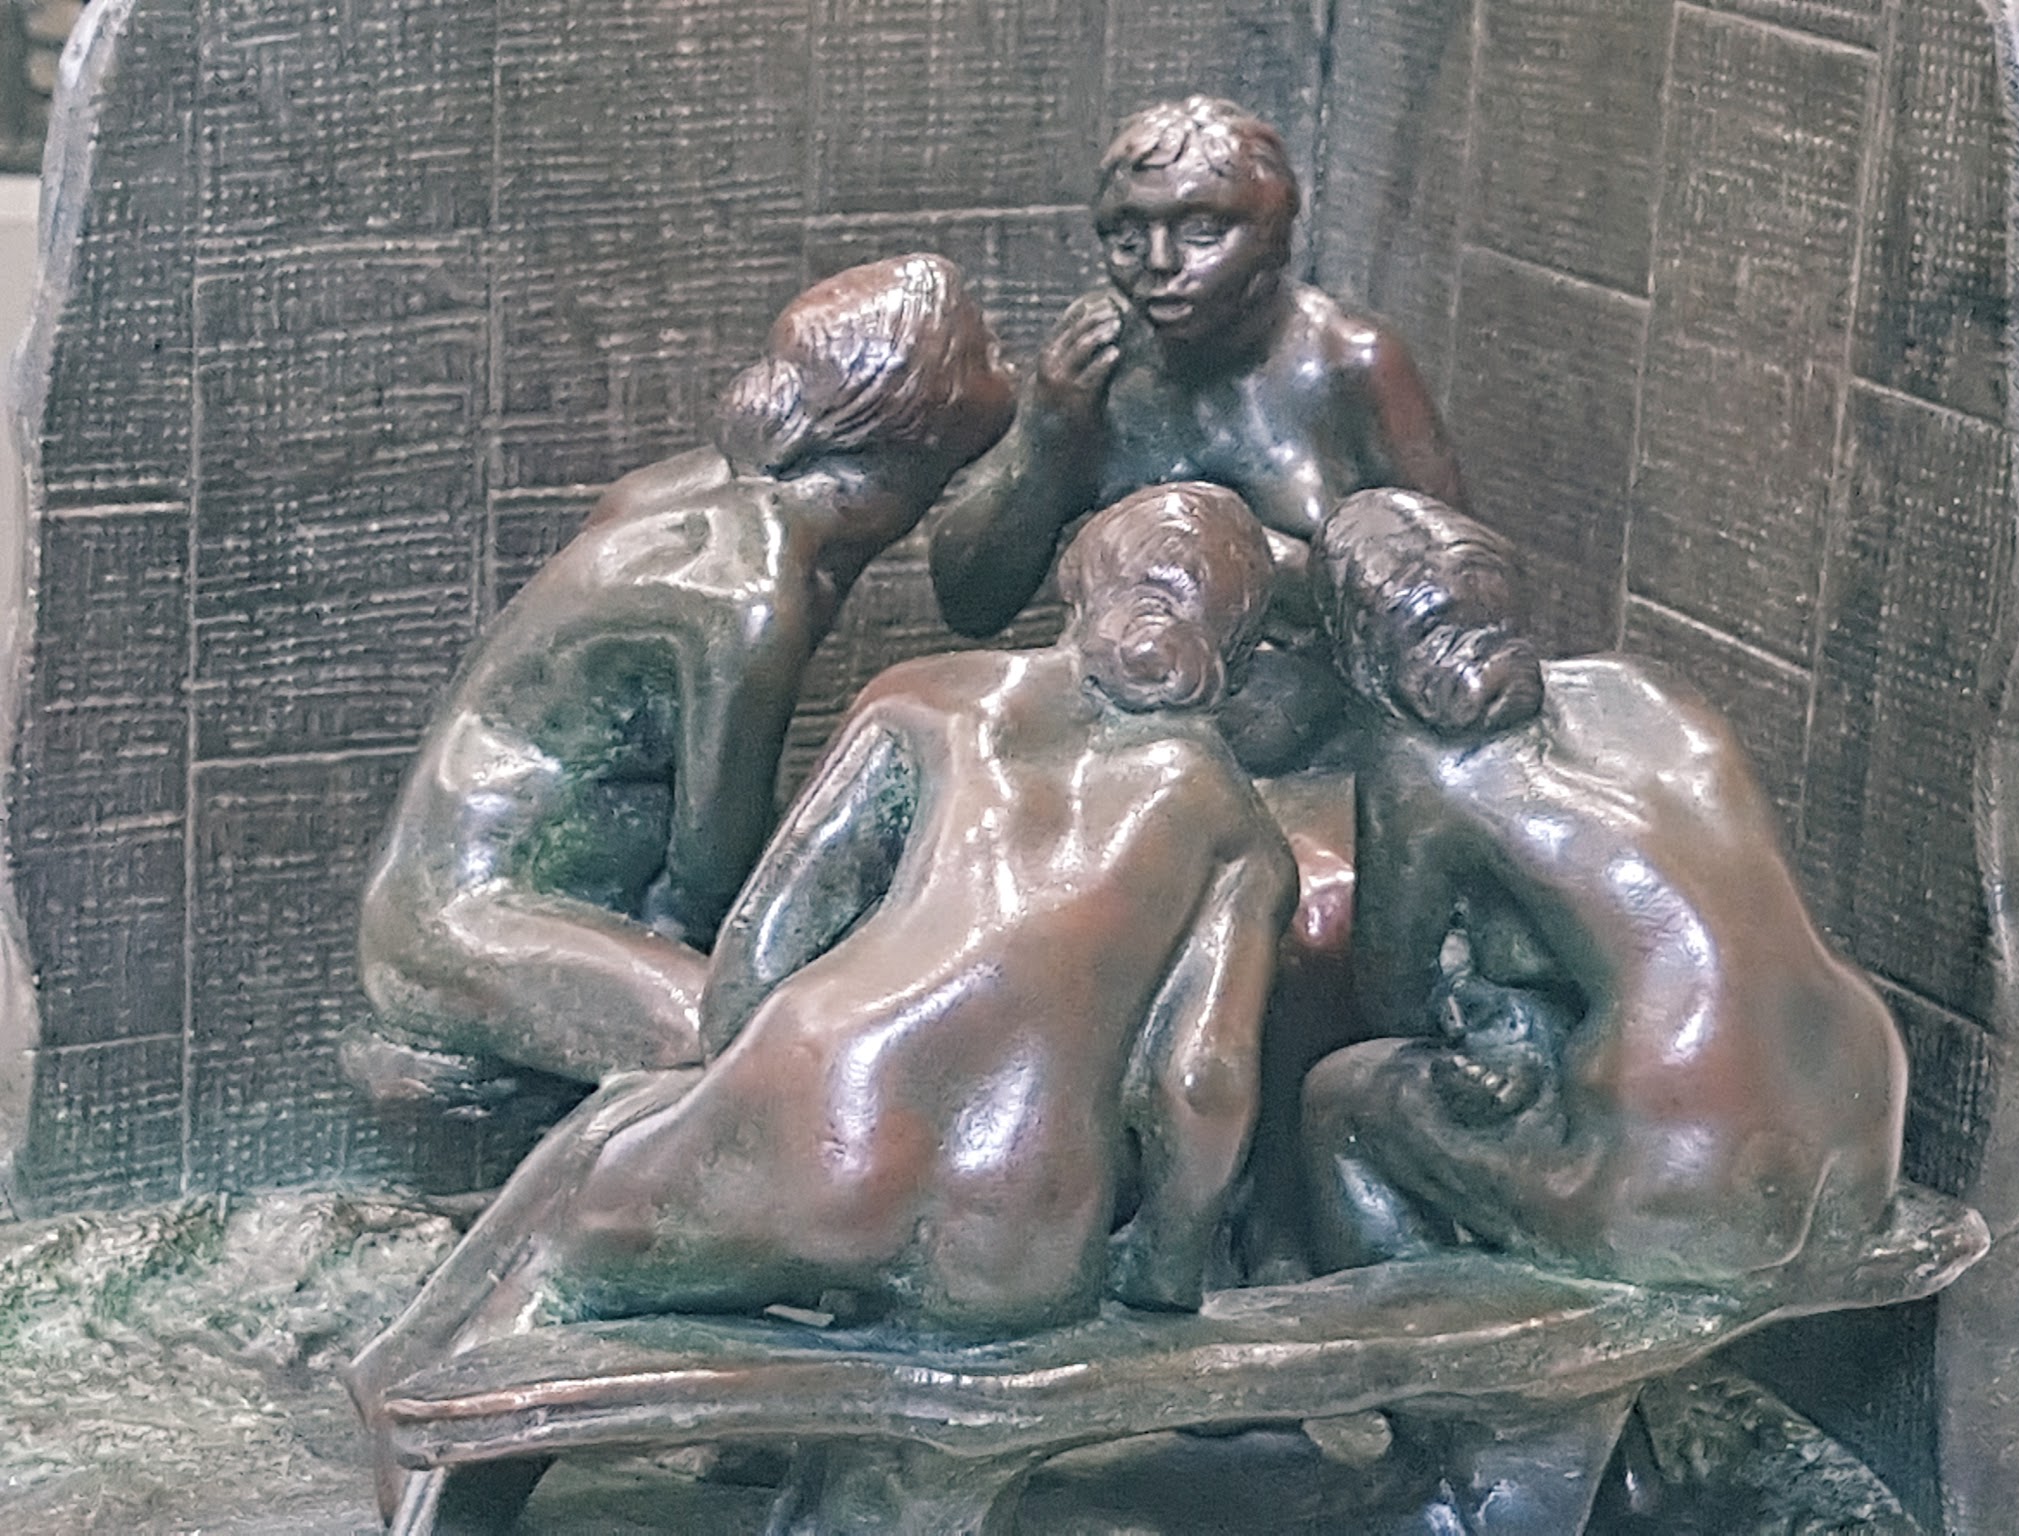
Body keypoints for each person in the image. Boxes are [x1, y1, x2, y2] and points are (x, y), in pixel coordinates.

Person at [346, 482, 1297, 1517]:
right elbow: (1202, 1080)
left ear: (1079, 578)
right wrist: (1165, 1264)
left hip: (828, 1113)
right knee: (923, 1424)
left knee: (560, 1256)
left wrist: (728, 1081)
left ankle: (432, 1473)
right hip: (1024, 1224)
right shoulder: (1240, 835)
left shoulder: (934, 702)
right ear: (1238, 649)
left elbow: (768, 935)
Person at [348, 254, 1015, 1109]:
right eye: (981, 346)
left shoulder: (696, 492)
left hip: (507, 898)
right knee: (790, 1054)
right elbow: (709, 878)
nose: (1005, 353)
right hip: (467, 924)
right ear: (917, 415)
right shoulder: (748, 599)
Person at [1299, 489, 1907, 1287]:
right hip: (1861, 1106)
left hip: (1688, 1158)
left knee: (1341, 1101)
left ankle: (1430, 1360)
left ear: (1358, 652)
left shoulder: (1423, 766)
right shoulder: (1643, 685)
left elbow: (1395, 1001)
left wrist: (1488, 1016)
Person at [926, 96, 1482, 771]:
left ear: (1273, 234)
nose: (1159, 263)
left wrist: (1247, 563)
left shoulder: (1351, 364)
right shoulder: (1097, 360)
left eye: (1201, 231)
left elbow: (1457, 612)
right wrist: (1048, 443)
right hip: (1124, 718)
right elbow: (969, 600)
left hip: (1312, 741)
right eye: (1128, 236)